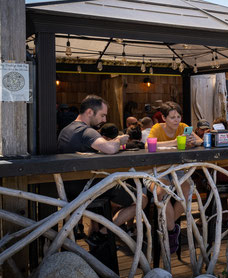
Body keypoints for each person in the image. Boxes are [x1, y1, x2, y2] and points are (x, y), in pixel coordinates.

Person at [57, 95, 147, 249]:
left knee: (110, 198)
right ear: (90, 112)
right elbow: (110, 149)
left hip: (70, 189)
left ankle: (98, 238)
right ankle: (103, 233)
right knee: (142, 199)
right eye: (102, 115)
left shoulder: (66, 130)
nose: (104, 120)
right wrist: (119, 140)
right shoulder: (85, 131)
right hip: (89, 188)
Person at [147, 101, 202, 253]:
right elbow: (148, 145)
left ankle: (169, 227)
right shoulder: (157, 128)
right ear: (164, 118)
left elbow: (200, 140)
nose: (176, 120)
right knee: (161, 192)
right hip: (157, 169)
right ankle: (172, 231)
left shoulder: (183, 127)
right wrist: (175, 142)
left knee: (187, 190)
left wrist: (193, 142)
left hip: (177, 169)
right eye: (172, 117)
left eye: (178, 116)